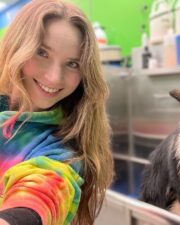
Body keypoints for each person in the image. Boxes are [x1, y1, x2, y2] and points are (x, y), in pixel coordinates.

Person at [0, 0, 114, 225]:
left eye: (72, 64)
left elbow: (43, 194)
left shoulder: (60, 152)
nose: (54, 77)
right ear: (17, 46)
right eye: (42, 52)